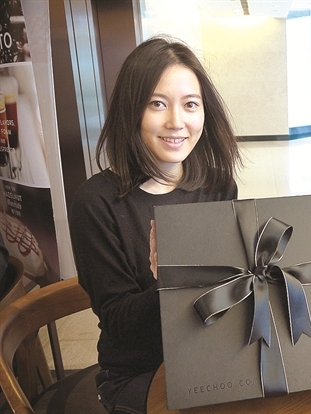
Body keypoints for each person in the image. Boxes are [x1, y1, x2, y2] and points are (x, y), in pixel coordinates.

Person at [69, 35, 241, 414]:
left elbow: (227, 290)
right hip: (138, 370)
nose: (176, 122)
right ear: (131, 110)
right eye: (157, 104)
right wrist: (169, 284)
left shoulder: (218, 186)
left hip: (210, 355)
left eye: (190, 104)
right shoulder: (95, 202)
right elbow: (120, 325)